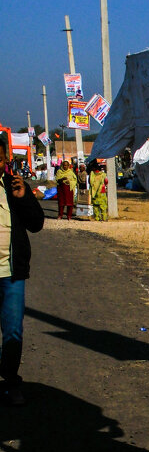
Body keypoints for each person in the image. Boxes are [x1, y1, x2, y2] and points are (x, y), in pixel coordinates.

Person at [0, 138, 44, 405]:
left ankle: (10, 382)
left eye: (0, 157)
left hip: (11, 274)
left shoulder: (13, 187)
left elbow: (37, 224)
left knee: (13, 332)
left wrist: (24, 197)